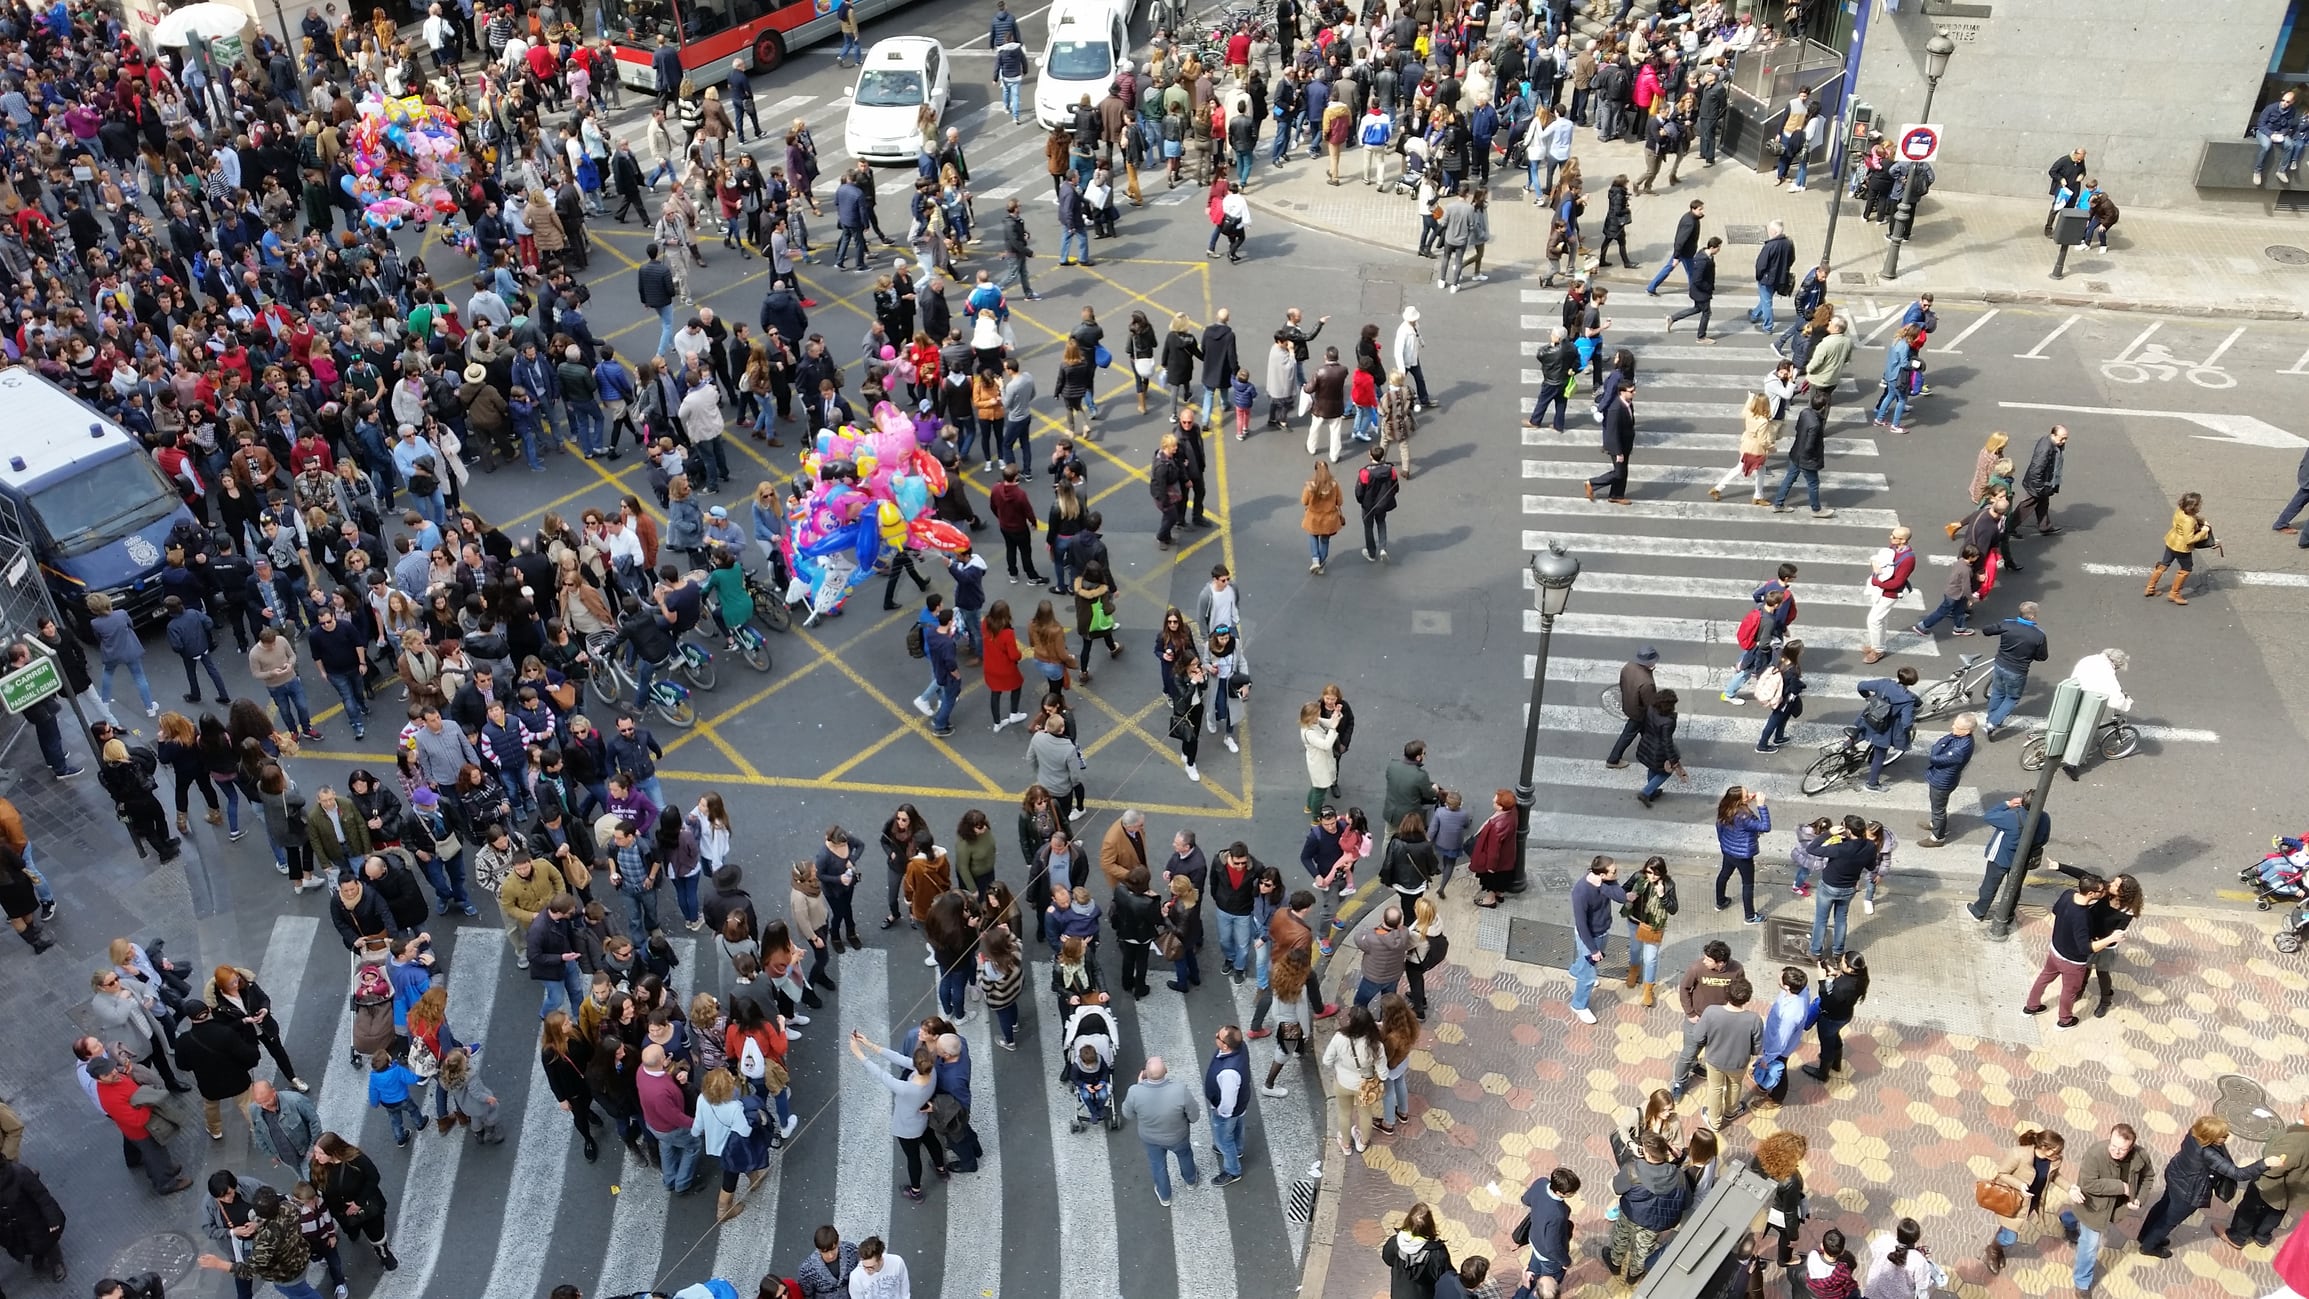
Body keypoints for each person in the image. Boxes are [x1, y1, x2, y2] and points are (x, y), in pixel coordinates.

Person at [2136, 1116, 2266, 1257]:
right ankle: (2149, 1246)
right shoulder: (2207, 1153)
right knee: (2169, 1221)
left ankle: (2144, 1235)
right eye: (2223, 1136)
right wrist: (2264, 1163)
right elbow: (2238, 1174)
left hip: (2175, 1176)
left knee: (2162, 1205)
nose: (2227, 1137)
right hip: (2188, 1192)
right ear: (2210, 1138)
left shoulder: (2194, 1132)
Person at [847, 1032, 946, 1201]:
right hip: (922, 1118)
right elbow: (899, 1058)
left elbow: (881, 1074)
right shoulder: (932, 1070)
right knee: (931, 1141)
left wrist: (859, 1053)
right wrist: (869, 1044)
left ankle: (916, 1191)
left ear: (916, 1065)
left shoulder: (906, 1088)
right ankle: (941, 1169)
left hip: (907, 1126)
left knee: (913, 1157)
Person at [2066, 1123, 2155, 1293]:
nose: (2116, 1151)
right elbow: (2089, 1184)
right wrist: (2122, 1187)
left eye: (2122, 1149)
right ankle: (2082, 1283)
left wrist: (2139, 1198)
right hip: (2093, 1208)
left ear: (2131, 1147)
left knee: (2077, 1219)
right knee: (2090, 1245)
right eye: (2113, 1145)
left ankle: (2067, 1220)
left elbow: (2148, 1177)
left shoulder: (2141, 1156)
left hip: (2115, 1209)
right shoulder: (2095, 1154)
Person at [2022, 873, 2117, 1029]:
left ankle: (2031, 1007)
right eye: (2101, 891)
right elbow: (2085, 948)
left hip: (2055, 950)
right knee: (2069, 991)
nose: (2104, 892)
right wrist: (2110, 938)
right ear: (2091, 894)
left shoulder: (2067, 895)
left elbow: (2056, 911)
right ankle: (2065, 1020)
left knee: (2044, 977)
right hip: (2072, 962)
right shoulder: (2083, 916)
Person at [1120, 1054, 1203, 1205]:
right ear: (1166, 1070)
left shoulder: (1134, 1092)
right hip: (1178, 1136)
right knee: (1185, 1155)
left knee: (1157, 1164)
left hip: (1151, 1138)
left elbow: (1128, 1114)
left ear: (1145, 1073)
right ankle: (1191, 1181)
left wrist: (1139, 1087)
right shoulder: (1180, 1090)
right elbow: (1195, 1116)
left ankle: (1165, 1196)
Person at [1968, 792, 2053, 922]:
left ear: (2023, 802)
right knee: (2014, 887)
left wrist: (2007, 804)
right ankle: (2007, 914)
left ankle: (1979, 910)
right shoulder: (2045, 818)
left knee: (1989, 885)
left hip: (2001, 858)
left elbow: (1988, 816)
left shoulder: (2012, 816)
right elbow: (2044, 839)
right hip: (2023, 860)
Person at [1567, 855, 1627, 1025]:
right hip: (1590, 937)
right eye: (1614, 871)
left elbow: (1621, 897)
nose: (1617, 873)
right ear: (1602, 874)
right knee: (1588, 976)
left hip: (1603, 930)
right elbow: (1581, 924)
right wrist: (1593, 950)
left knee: (1586, 967)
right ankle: (1579, 1005)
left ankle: (1575, 971)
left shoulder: (1607, 881)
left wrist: (1603, 887)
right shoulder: (1581, 891)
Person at [1322, 1003, 1383, 1154]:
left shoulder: (1339, 1038)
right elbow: (1383, 1072)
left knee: (1344, 1113)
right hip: (1364, 1084)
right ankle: (1363, 1142)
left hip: (1342, 1082)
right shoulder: (1375, 1044)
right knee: (1365, 1114)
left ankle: (1346, 1144)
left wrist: (1340, 1065)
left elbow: (1326, 1061)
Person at [1981, 601, 2049, 734]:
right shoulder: (2039, 635)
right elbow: (2042, 657)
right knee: (2012, 698)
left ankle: (1991, 718)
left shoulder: (2008, 624)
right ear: (2033, 616)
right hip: (2017, 671)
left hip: (2000, 664)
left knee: (1997, 692)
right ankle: (1992, 723)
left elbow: (1987, 630)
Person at [2147, 491, 2215, 605]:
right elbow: (2188, 539)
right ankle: (2174, 593)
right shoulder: (2190, 521)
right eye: (2199, 504)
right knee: (2186, 569)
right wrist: (2204, 532)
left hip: (2171, 541)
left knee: (2164, 564)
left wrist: (2200, 520)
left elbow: (2188, 519)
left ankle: (2150, 587)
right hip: (2181, 548)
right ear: (2194, 507)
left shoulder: (2180, 511)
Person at [1381, 1202, 1454, 1294]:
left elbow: (1387, 1258)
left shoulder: (1395, 1242)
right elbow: (1446, 1278)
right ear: (1430, 1226)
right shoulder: (1438, 1254)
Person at [1587, 378, 1637, 505]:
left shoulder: (1627, 402)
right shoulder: (1616, 409)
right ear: (1622, 392)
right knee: (1619, 472)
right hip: (1618, 446)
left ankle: (1616, 495)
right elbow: (1612, 432)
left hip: (1625, 443)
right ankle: (1592, 483)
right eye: (1631, 391)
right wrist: (1618, 453)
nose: (1634, 393)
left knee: (1623, 471)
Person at [1663, 236, 1722, 341]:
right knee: (1706, 313)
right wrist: (1708, 288)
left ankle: (1672, 318)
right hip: (1701, 292)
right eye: (1718, 248)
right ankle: (1701, 336)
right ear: (1712, 247)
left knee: (1697, 309)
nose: (1719, 250)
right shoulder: (1702, 261)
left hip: (1698, 291)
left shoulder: (1705, 255)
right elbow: (1697, 280)